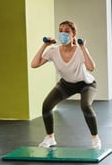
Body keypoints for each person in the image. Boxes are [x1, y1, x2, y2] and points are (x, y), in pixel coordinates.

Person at [30, 20, 101, 149]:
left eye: (67, 31)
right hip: (66, 84)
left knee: (85, 106)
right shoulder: (53, 51)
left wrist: (83, 47)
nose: (63, 34)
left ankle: (95, 139)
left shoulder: (79, 51)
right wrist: (44, 45)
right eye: (61, 31)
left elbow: (91, 68)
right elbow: (34, 64)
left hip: (86, 84)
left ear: (73, 34)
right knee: (46, 106)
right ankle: (50, 138)